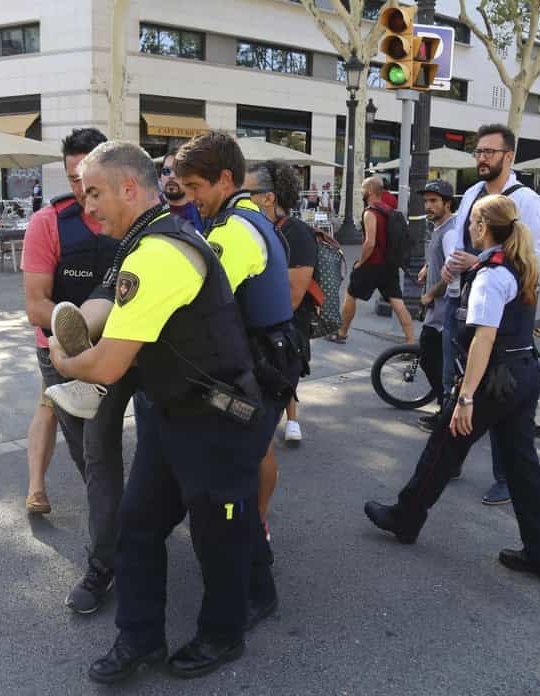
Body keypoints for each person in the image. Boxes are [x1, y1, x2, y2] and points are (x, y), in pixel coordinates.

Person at [48, 141, 270, 683]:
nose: (85, 202)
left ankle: (223, 635)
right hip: (174, 413)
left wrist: (60, 357)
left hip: (215, 421)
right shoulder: (140, 242)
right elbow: (104, 304)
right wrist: (70, 322)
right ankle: (140, 639)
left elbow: (105, 366)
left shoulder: (159, 254)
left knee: (218, 535)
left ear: (129, 188)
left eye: (94, 190)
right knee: (138, 525)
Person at [364, 194, 540, 583]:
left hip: (493, 380)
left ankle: (405, 519)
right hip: (524, 373)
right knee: (524, 468)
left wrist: (465, 397)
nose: (468, 228)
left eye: (473, 221)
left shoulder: (492, 275)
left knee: (442, 446)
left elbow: (483, 341)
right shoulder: (521, 265)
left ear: (481, 228)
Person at [176, 133, 303, 633]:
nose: (189, 198)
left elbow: (198, 299)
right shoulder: (247, 219)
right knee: (238, 481)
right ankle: (257, 584)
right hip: (265, 364)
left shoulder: (235, 231)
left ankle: (252, 592)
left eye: (194, 186)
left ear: (225, 179)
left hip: (257, 370)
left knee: (232, 486)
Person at [20, 127, 131, 615]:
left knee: (135, 454)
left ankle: (113, 550)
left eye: (93, 186)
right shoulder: (48, 223)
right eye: (74, 181)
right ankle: (111, 549)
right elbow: (35, 305)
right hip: (64, 353)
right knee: (94, 458)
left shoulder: (137, 223)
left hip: (129, 347)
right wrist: (78, 332)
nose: (85, 197)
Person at [444, 123, 540, 505]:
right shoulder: (472, 192)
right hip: (460, 302)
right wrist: (447, 269)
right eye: (478, 152)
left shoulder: (527, 201)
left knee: (498, 399)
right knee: (452, 384)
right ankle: (448, 457)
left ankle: (503, 478)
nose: (482, 158)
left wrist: (482, 264)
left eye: (489, 152)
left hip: (500, 314)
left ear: (509, 156)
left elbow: (537, 261)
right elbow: (458, 239)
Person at [243, 160, 316, 532]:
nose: (238, 199)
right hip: (256, 346)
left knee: (259, 442)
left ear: (268, 197)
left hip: (280, 347)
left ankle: (259, 520)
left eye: (247, 193)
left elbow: (289, 298)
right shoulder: (252, 229)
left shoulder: (296, 234)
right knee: (251, 438)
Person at [326, 176, 415, 345]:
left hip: (372, 263)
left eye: (363, 188)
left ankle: (342, 333)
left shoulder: (371, 212)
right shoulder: (388, 210)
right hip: (389, 264)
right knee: (397, 302)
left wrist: (360, 262)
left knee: (351, 294)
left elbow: (370, 242)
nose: (361, 191)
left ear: (371, 191)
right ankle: (411, 342)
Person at [414, 180, 457, 433]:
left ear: (447, 203)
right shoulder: (441, 227)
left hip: (444, 309)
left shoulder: (449, 231)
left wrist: (430, 294)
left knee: (430, 356)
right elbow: (442, 259)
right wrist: (428, 267)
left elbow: (452, 268)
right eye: (426, 201)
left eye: (434, 201)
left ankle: (446, 409)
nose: (428, 206)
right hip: (440, 308)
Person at [160, 148, 204, 231]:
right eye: (166, 171)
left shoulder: (203, 212)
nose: (171, 176)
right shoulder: (147, 208)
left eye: (178, 171)